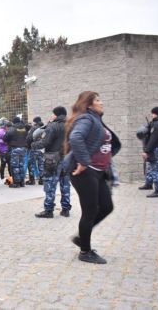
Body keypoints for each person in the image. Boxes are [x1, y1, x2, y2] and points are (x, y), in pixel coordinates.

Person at [64, 91, 121, 264]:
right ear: (88, 104)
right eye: (97, 100)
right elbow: (76, 137)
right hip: (84, 171)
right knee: (90, 211)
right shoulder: (86, 119)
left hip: (98, 171)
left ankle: (82, 237)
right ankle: (85, 251)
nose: (101, 102)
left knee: (106, 207)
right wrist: (83, 161)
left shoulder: (96, 120)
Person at [33, 106, 71, 218]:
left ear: (56, 114)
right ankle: (65, 209)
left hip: (52, 160)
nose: (51, 116)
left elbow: (45, 142)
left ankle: (48, 210)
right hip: (67, 158)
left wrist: (33, 145)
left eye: (52, 114)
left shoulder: (52, 126)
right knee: (65, 184)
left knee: (50, 184)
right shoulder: (71, 126)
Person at [4, 117, 28, 188]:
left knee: (15, 166)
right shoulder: (25, 128)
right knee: (21, 165)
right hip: (23, 149)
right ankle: (22, 182)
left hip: (15, 149)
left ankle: (16, 183)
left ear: (13, 122)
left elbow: (5, 138)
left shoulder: (12, 129)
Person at [26, 116, 45, 185]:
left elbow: (29, 138)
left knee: (30, 164)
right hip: (42, 148)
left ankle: (32, 180)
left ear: (35, 122)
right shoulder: (44, 127)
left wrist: (28, 145)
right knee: (41, 164)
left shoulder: (34, 128)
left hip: (34, 148)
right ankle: (42, 180)